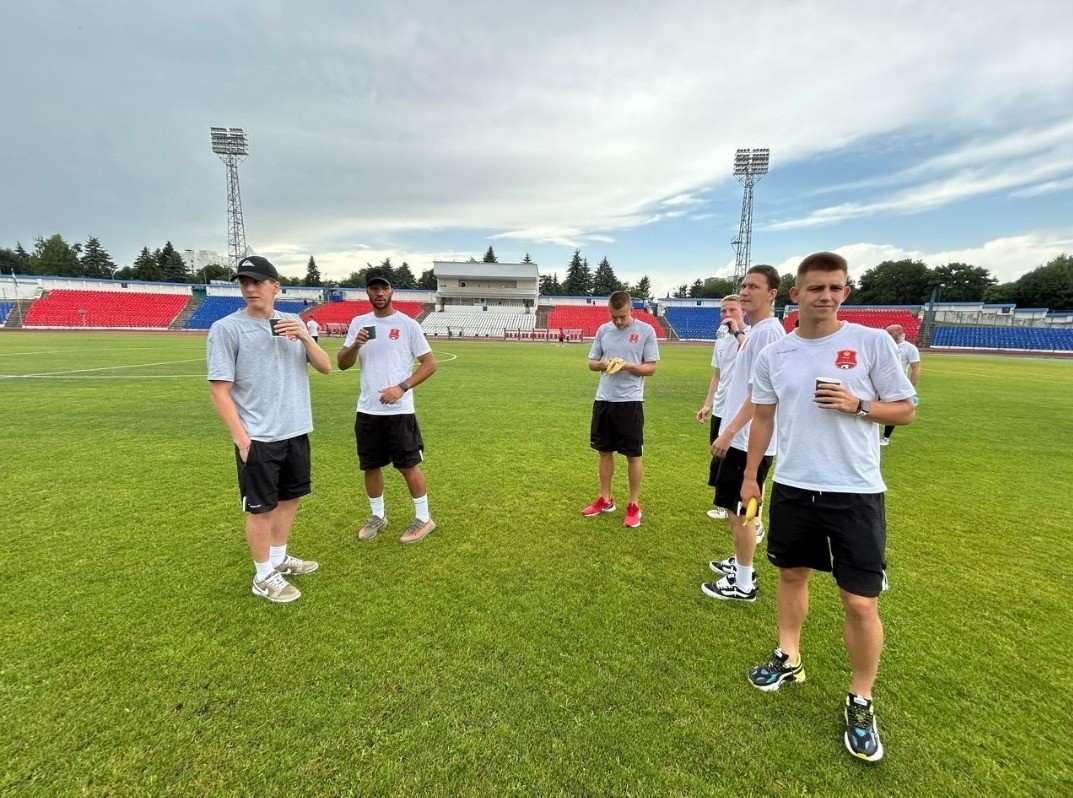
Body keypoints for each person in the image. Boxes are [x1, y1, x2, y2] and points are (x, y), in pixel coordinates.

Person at [740, 251, 916, 762]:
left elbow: (904, 410)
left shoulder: (871, 343)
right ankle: (789, 655)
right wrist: (752, 478)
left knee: (859, 602)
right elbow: (764, 421)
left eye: (835, 287)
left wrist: (858, 405)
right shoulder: (778, 354)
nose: (826, 296)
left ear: (846, 291)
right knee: (791, 575)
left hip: (856, 491)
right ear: (795, 294)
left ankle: (861, 699)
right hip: (794, 485)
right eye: (816, 288)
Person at [207, 255, 332, 603]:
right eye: (243, 282)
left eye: (257, 281)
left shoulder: (292, 321)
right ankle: (263, 576)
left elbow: (325, 368)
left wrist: (306, 338)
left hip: (295, 431)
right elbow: (219, 390)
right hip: (258, 438)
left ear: (275, 287)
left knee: (289, 500)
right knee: (261, 510)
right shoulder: (227, 329)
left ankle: (278, 560)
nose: (249, 288)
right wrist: (242, 440)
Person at [703, 265, 785, 602]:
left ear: (772, 294)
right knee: (734, 508)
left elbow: (761, 394)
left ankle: (744, 582)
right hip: (740, 437)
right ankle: (740, 563)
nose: (746, 291)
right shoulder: (755, 331)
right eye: (743, 285)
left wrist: (729, 431)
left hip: (747, 439)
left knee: (742, 511)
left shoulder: (768, 333)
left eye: (754, 286)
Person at [338, 269, 438, 544]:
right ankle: (378, 516)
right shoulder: (359, 323)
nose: (379, 293)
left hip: (399, 411)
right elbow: (342, 364)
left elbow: (430, 364)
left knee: (408, 466)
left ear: (392, 290)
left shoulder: (408, 325)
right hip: (368, 410)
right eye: (373, 288)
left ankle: (424, 518)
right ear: (367, 292)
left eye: (384, 288)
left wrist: (401, 387)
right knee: (371, 466)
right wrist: (355, 345)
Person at [582, 290, 660, 528]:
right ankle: (606, 499)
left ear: (631, 311)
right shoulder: (603, 331)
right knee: (604, 451)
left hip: (630, 401)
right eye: (614, 317)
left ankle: (634, 504)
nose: (618, 321)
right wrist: (604, 364)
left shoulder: (646, 331)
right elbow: (591, 363)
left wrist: (627, 366)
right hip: (604, 399)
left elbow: (651, 368)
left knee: (633, 455)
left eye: (622, 317)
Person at [696, 294, 746, 521]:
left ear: (743, 311)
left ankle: (749, 514)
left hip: (742, 412)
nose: (727, 315)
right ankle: (725, 504)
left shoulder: (752, 337)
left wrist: (737, 332)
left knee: (742, 461)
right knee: (719, 457)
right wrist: (708, 404)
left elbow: (749, 351)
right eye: (723, 312)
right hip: (721, 409)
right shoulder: (720, 341)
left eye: (732, 310)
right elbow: (717, 376)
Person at [881, 324, 920, 446]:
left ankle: (885, 437)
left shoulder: (909, 348)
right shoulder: (883, 345)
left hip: (896, 384)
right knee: (865, 406)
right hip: (879, 381)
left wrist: (910, 387)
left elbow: (916, 369)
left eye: (890, 333)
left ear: (899, 333)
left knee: (894, 411)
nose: (887, 335)